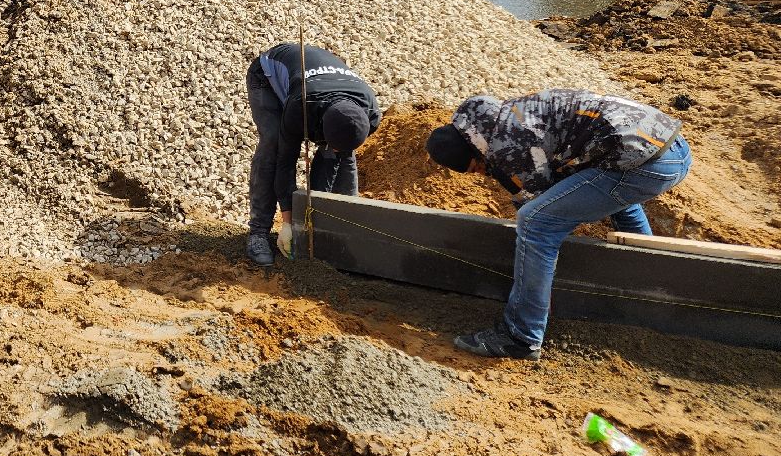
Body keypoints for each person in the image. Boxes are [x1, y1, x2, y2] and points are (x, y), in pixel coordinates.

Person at [426, 90, 691, 360]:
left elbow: (538, 202)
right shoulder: (510, 116)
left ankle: (520, 336)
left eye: (476, 168)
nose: (482, 173)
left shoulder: (508, 145)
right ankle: (647, 278)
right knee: (612, 195)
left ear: (475, 149)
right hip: (668, 147)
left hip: (645, 165)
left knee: (535, 223)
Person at [246, 43, 382, 266]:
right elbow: (285, 163)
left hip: (321, 88)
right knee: (273, 144)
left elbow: (338, 156)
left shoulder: (371, 114)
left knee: (342, 155)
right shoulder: (301, 107)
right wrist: (288, 222)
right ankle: (258, 232)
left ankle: (343, 231)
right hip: (267, 76)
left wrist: (316, 217)